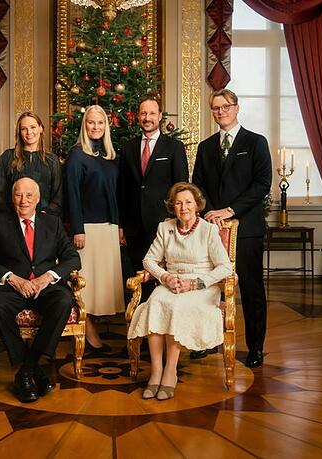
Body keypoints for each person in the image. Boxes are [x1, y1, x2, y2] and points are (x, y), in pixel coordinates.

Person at [0, 177, 81, 403]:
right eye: (18, 195)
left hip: (45, 288)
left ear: (38, 198)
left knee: (63, 301)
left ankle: (25, 371)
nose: (23, 201)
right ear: (12, 198)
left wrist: (47, 277)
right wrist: (10, 278)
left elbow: (73, 258)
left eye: (29, 195)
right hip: (12, 288)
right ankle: (33, 370)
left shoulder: (52, 222)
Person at [127, 182, 232, 400]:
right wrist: (165, 277)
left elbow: (225, 267)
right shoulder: (165, 228)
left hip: (201, 285)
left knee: (176, 306)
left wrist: (196, 284)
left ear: (197, 205)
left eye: (188, 203)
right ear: (173, 207)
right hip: (171, 281)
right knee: (155, 304)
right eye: (178, 203)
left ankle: (170, 371)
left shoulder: (208, 229)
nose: (183, 207)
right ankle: (156, 372)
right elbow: (149, 260)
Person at [192, 88, 272, 368]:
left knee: (251, 290)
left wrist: (230, 210)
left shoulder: (256, 142)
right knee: (209, 288)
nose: (220, 111)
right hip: (212, 230)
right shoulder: (206, 147)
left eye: (225, 106)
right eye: (215, 108)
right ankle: (203, 342)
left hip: (246, 228)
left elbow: (262, 184)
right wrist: (212, 213)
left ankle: (255, 348)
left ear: (236, 108)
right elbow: (197, 185)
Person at [65, 105, 125, 351]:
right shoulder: (77, 155)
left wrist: (119, 226)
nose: (96, 127)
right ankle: (87, 333)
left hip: (108, 228)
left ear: (106, 126)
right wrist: (77, 228)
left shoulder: (109, 156)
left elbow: (116, 195)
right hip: (87, 229)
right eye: (91, 122)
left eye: (100, 122)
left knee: (102, 284)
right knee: (85, 286)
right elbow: (72, 195)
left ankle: (91, 329)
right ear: (84, 125)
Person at [119, 97, 189, 277]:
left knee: (161, 276)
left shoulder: (174, 147)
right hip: (134, 226)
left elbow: (181, 187)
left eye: (151, 113)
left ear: (159, 116)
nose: (147, 117)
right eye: (143, 113)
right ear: (138, 117)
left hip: (163, 223)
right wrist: (121, 225)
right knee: (136, 277)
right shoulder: (128, 147)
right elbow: (123, 189)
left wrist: (175, 219)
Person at [0, 112, 62, 216]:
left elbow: (58, 196)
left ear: (41, 128)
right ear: (19, 132)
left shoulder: (52, 160)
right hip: (12, 221)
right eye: (24, 129)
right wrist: (12, 218)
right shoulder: (8, 157)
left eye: (33, 127)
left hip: (44, 221)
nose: (29, 132)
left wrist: (44, 216)